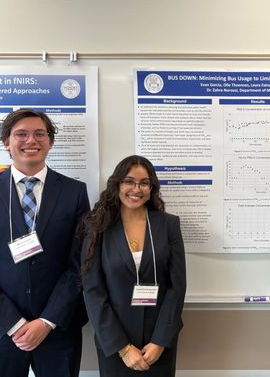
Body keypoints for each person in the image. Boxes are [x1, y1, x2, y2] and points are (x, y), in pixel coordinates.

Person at [0, 109, 90, 377]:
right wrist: (14, 323)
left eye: (40, 133)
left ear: (50, 141)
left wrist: (47, 321)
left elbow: (79, 264)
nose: (31, 140)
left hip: (56, 330)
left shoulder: (74, 192)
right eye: (21, 134)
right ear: (6, 142)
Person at [80, 155, 186, 376]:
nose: (136, 189)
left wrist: (160, 341)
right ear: (117, 184)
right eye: (129, 181)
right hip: (115, 344)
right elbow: (93, 290)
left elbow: (177, 287)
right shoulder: (98, 226)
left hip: (157, 344)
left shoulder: (168, 225)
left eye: (144, 183)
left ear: (151, 187)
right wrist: (123, 348)